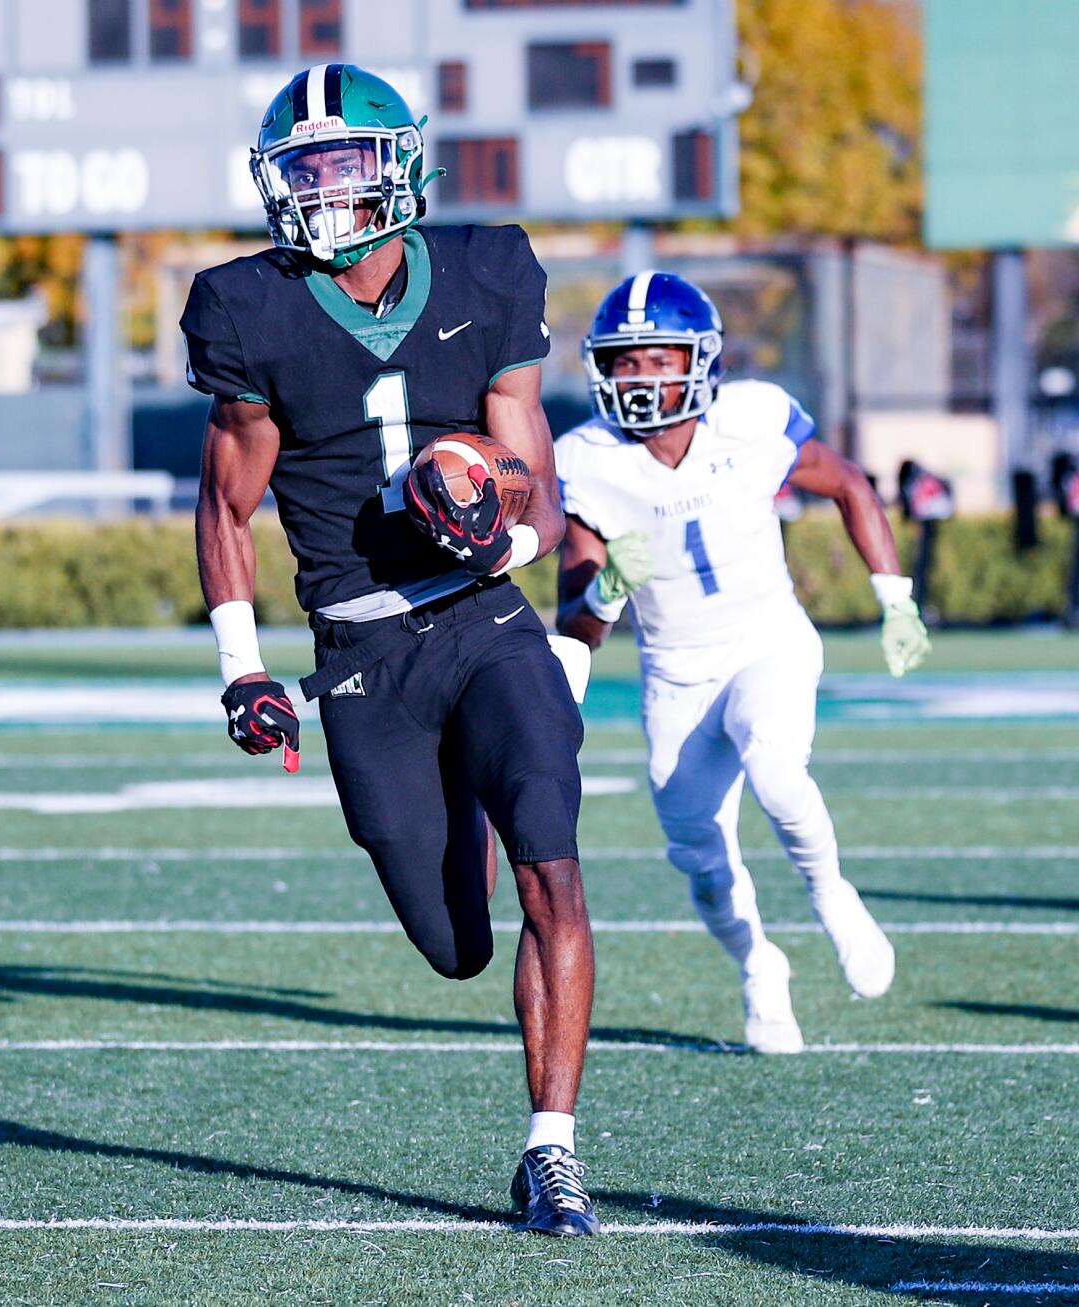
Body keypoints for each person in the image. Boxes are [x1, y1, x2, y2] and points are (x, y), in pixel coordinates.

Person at [181, 64, 599, 1235]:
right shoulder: (245, 306)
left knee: (552, 862)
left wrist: (499, 517)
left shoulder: (486, 269)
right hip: (362, 651)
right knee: (457, 943)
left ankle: (552, 1151)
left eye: (340, 164)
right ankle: (453, 785)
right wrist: (242, 666)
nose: (319, 192)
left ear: (399, 165)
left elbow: (541, 489)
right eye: (300, 170)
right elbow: (225, 507)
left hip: (483, 616)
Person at [554, 271, 932, 1054]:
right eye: (625, 362)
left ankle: (833, 895)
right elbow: (577, 621)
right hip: (675, 672)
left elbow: (851, 484)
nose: (640, 379)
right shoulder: (585, 460)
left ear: (701, 360)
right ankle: (761, 966)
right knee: (699, 857)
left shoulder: (752, 420)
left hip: (766, 640)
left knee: (777, 770)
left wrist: (896, 599)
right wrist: (612, 584)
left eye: (658, 359)